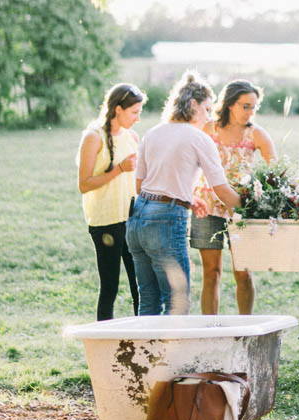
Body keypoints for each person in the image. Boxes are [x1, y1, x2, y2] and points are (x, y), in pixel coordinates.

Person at [127, 72, 240, 316]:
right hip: (165, 221)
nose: (209, 117)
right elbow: (221, 189)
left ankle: (149, 354)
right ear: (192, 105)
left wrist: (187, 199)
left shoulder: (153, 133)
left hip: (137, 219)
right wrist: (248, 207)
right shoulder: (199, 138)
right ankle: (172, 356)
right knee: (177, 302)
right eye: (207, 109)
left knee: (148, 300)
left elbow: (141, 185)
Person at [191, 79, 276, 315]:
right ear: (230, 104)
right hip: (206, 206)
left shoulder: (256, 134)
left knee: (243, 271)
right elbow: (188, 161)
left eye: (253, 107)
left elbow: (274, 171)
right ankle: (210, 327)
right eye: (245, 106)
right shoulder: (209, 129)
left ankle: (245, 326)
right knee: (211, 272)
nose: (250, 112)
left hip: (240, 209)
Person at [77, 83, 147, 321]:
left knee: (141, 287)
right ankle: (104, 343)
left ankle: (145, 341)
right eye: (134, 112)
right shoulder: (93, 137)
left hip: (132, 219)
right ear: (118, 109)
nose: (138, 118)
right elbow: (84, 184)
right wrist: (118, 169)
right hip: (105, 221)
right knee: (110, 288)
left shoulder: (132, 137)